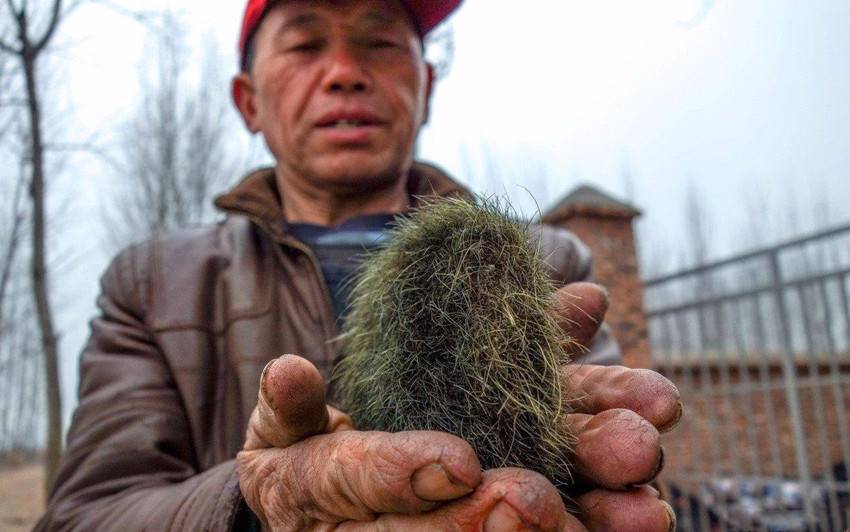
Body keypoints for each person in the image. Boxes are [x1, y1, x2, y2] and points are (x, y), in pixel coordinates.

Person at [36, 0, 682, 530]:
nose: (344, 71)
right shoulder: (151, 284)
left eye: (379, 42)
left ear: (425, 87)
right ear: (249, 100)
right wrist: (255, 505)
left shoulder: (545, 263)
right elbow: (85, 514)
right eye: (304, 44)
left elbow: (614, 468)